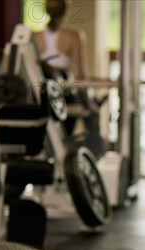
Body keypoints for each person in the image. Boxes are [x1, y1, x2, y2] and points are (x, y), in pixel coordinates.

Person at [33, 0, 106, 158]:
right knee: (94, 113)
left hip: (43, 98)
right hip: (63, 97)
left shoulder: (35, 37)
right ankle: (95, 158)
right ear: (66, 13)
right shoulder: (74, 37)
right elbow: (80, 76)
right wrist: (89, 104)